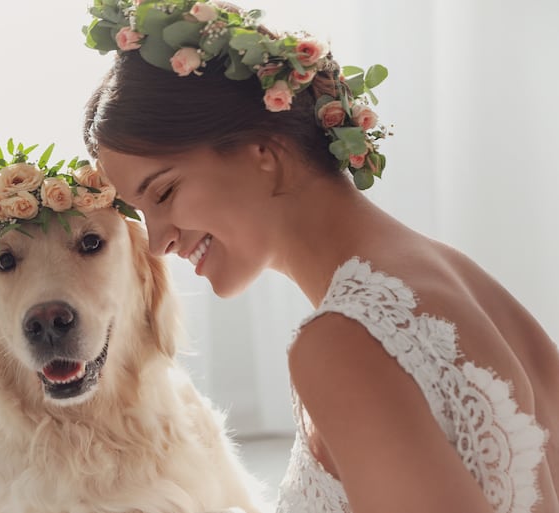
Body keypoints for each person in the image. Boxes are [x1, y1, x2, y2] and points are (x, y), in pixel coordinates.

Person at [81, 1, 559, 512]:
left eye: (165, 192)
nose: (159, 242)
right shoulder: (460, 278)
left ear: (262, 150)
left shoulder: (342, 340)